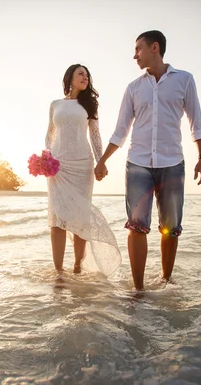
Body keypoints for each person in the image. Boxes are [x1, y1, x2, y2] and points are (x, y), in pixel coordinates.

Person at [94, 30, 201, 290]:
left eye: (138, 49)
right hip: (138, 163)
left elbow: (196, 122)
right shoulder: (133, 88)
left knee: (170, 227)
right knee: (136, 226)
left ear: (154, 48)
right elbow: (121, 130)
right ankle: (138, 290)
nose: (134, 55)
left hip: (172, 163)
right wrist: (102, 161)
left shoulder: (185, 80)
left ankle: (166, 282)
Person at [45, 64, 121, 276]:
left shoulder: (89, 105)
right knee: (57, 218)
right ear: (69, 78)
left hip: (81, 165)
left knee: (79, 217)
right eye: (81, 74)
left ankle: (78, 265)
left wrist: (101, 161)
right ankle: (59, 271)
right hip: (58, 166)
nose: (85, 77)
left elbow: (95, 135)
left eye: (87, 75)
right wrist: (46, 157)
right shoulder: (55, 104)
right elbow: (49, 134)